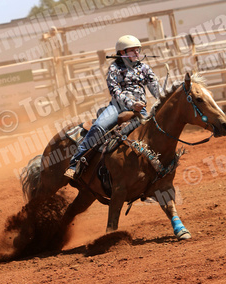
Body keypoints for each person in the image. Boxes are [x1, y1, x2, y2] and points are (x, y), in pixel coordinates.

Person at [64, 34, 160, 179]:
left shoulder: (144, 68)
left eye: (138, 50)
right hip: (117, 107)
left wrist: (163, 96)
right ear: (122, 53)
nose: (137, 53)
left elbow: (155, 89)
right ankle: (74, 163)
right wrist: (132, 104)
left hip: (141, 109)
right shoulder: (114, 68)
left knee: (154, 131)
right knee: (99, 127)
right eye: (132, 50)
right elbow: (115, 92)